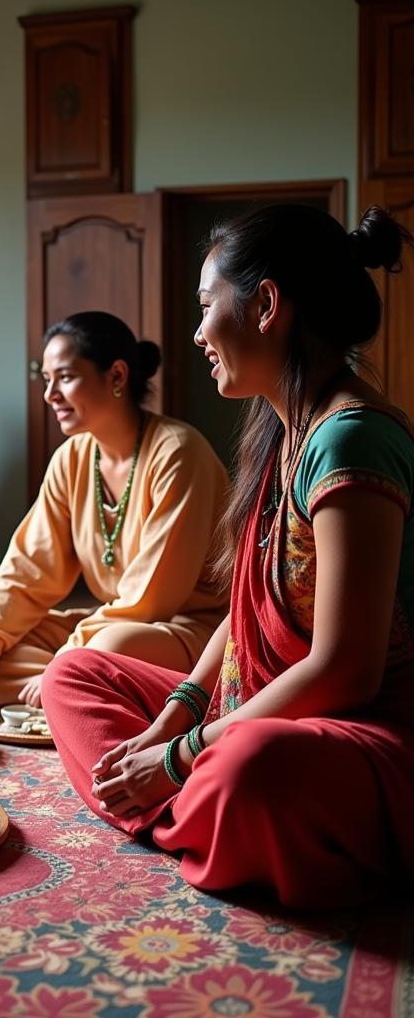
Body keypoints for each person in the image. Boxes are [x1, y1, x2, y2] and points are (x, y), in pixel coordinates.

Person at [41, 204, 414, 909]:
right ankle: (213, 825)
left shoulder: (351, 440)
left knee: (249, 764)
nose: (197, 333)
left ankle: (198, 813)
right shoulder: (283, 431)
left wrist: (179, 758)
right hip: (256, 707)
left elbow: (346, 671)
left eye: (208, 305)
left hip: (361, 731)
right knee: (72, 676)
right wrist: (171, 721)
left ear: (267, 305)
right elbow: (244, 617)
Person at [0, 311, 229, 711]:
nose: (50, 395)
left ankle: (72, 681)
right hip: (112, 624)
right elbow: (29, 568)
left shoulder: (178, 453)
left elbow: (152, 599)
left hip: (186, 629)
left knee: (110, 644)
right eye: (46, 381)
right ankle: (78, 688)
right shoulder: (72, 458)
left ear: (116, 376)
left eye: (65, 377)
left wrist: (65, 656)